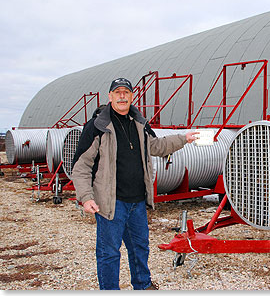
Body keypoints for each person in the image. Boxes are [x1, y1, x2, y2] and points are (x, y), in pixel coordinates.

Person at [71, 77, 197, 290]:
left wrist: (183, 138)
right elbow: (81, 165)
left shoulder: (139, 123)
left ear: (131, 96)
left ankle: (143, 285)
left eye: (126, 92)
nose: (122, 96)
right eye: (117, 92)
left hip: (137, 202)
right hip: (110, 204)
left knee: (140, 248)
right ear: (110, 97)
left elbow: (157, 146)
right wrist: (86, 197)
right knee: (109, 253)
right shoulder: (98, 126)